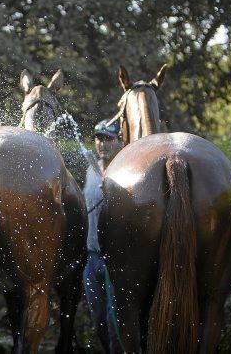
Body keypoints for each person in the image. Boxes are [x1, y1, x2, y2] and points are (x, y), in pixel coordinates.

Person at [83, 119, 124, 352]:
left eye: (109, 139)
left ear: (121, 141)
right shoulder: (91, 168)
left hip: (115, 261)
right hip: (91, 258)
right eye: (99, 138)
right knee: (98, 317)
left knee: (114, 319)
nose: (102, 144)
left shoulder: (127, 170)